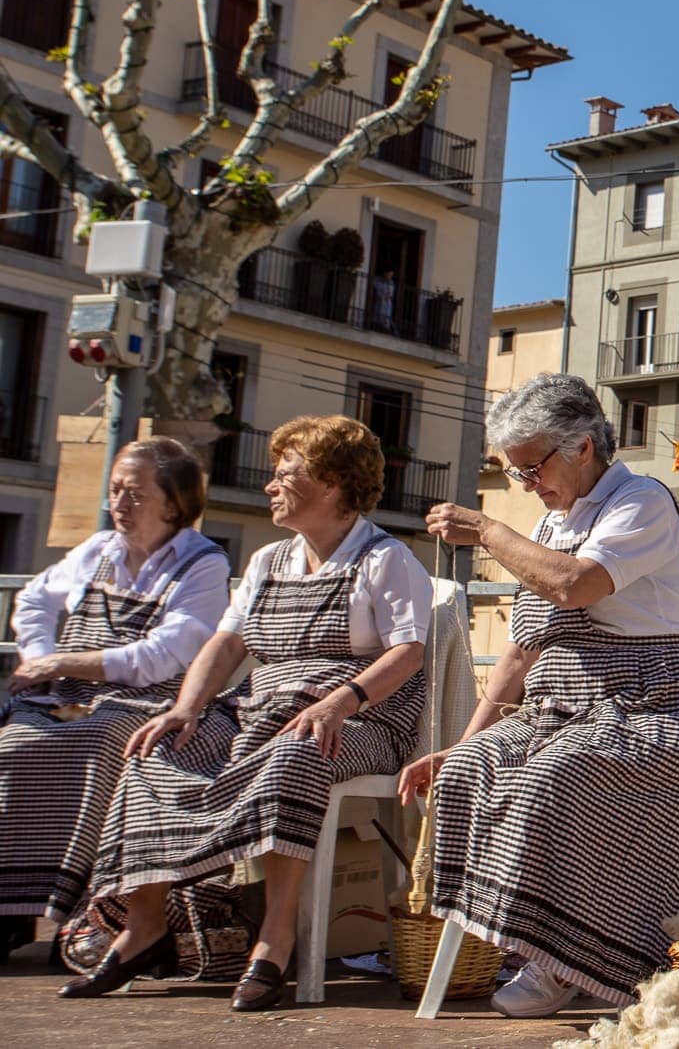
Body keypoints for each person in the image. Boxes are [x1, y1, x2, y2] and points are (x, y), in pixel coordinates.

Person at [76, 417, 430, 1010]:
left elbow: (409, 652)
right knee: (155, 748)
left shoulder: (385, 558)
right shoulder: (268, 560)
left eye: (286, 474)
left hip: (362, 719)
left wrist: (341, 700)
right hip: (263, 705)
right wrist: (185, 707)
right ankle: (144, 928)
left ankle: (276, 936)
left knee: (300, 751)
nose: (271, 485)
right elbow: (227, 643)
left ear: (335, 483)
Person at [402, 372, 679, 1017]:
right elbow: (520, 653)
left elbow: (575, 585)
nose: (527, 485)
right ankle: (527, 946)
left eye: (531, 468)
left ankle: (567, 958)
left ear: (581, 448)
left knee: (551, 777)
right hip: (561, 710)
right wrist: (463, 743)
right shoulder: (550, 526)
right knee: (466, 772)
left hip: (653, 712)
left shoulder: (642, 502)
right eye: (516, 474)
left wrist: (489, 531)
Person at [1, 439, 229, 949]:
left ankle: (89, 913)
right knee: (12, 744)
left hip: (147, 701)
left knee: (100, 743)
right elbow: (34, 598)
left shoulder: (203, 566)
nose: (119, 505)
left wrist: (62, 661)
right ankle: (12, 909)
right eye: (115, 492)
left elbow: (160, 657)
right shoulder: (98, 551)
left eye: (135, 494)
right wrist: (37, 659)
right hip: (63, 696)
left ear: (173, 503)